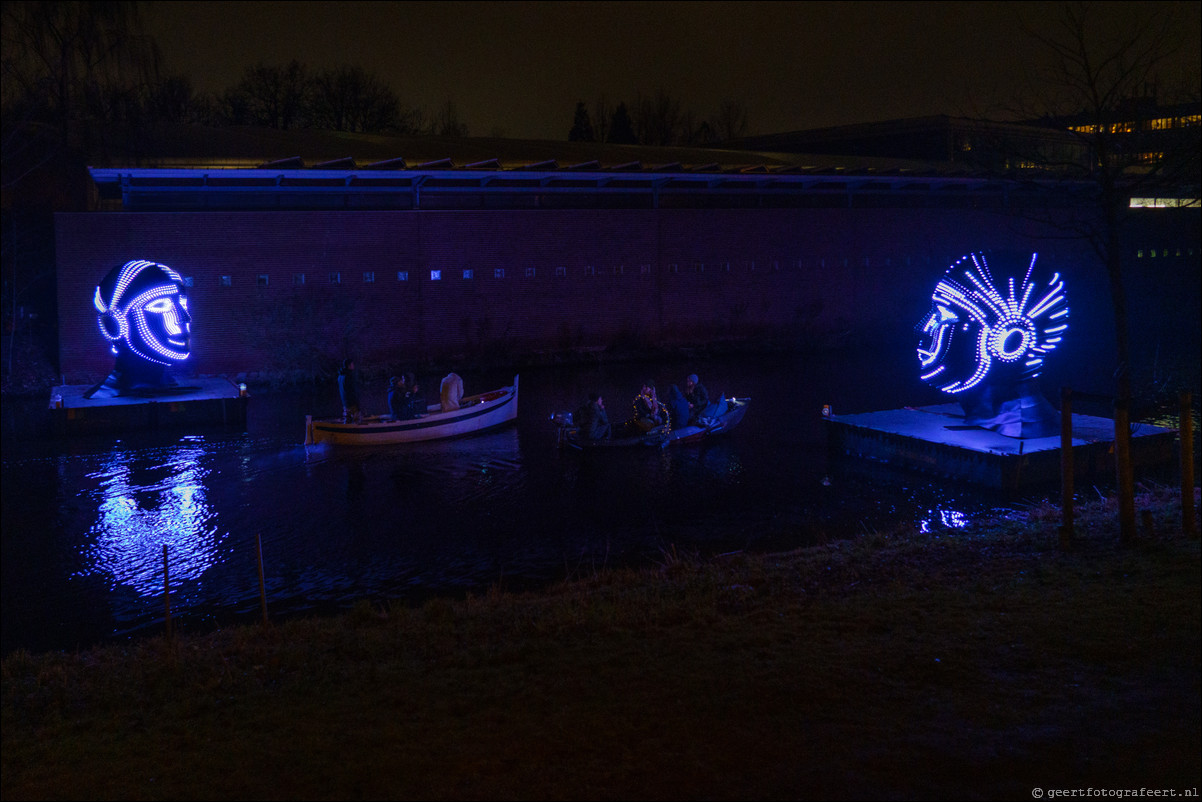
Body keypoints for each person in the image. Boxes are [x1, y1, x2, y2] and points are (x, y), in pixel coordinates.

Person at [338, 358, 360, 423]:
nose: (354, 366)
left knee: (347, 421)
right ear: (349, 365)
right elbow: (352, 391)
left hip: (345, 403)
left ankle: (345, 432)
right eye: (352, 364)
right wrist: (357, 404)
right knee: (357, 420)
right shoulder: (349, 376)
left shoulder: (340, 376)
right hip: (352, 403)